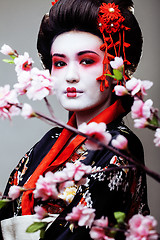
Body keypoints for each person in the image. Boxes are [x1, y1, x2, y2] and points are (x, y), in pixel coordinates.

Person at [0, 0, 150, 239]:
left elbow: (78, 232)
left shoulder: (120, 145)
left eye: (87, 61)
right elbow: (6, 207)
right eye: (59, 63)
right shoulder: (50, 140)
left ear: (116, 70)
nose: (70, 76)